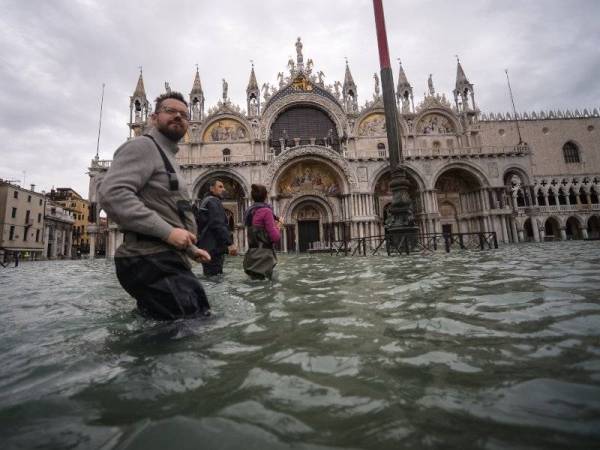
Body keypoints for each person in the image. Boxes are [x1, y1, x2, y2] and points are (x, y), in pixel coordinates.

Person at [98, 91, 212, 320]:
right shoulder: (142, 146)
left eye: (184, 114)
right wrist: (168, 233)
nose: (178, 117)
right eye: (170, 111)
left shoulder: (166, 156)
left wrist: (191, 249)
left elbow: (169, 210)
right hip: (151, 259)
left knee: (178, 326)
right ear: (153, 117)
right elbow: (112, 194)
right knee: (189, 330)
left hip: (162, 258)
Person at [196, 180, 238, 276]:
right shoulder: (213, 201)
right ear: (211, 188)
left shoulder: (205, 201)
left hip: (206, 248)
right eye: (220, 187)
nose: (223, 189)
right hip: (214, 250)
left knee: (209, 277)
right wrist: (230, 243)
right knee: (215, 278)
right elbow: (218, 224)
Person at [243, 184, 281, 280]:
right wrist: (279, 226)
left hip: (251, 256)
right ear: (266, 196)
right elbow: (275, 237)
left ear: (252, 197)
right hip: (263, 258)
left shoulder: (248, 212)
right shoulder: (266, 211)